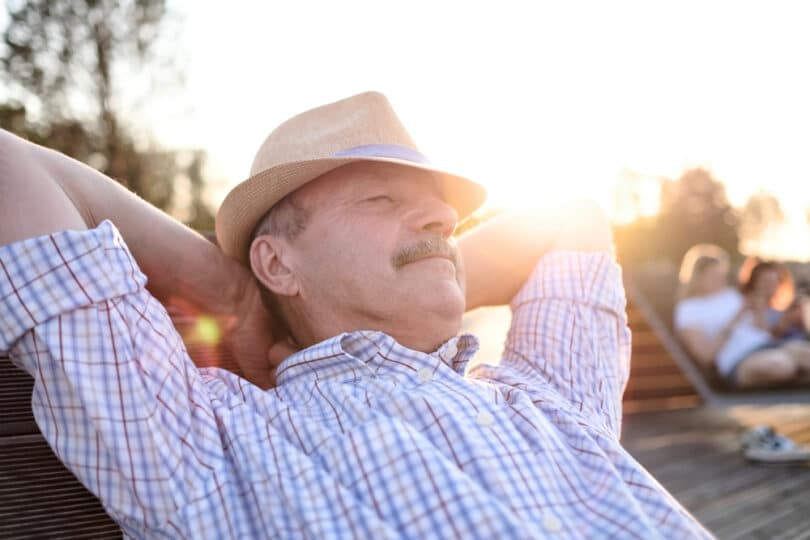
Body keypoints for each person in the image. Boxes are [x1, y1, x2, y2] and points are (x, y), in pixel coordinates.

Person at [0, 92, 712, 538]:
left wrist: (420, 269)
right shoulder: (209, 445)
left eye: (443, 213)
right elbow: (12, 165)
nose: (441, 216)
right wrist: (234, 291)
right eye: (381, 200)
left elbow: (574, 218)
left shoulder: (545, 394)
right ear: (277, 260)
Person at [675, 245, 810, 388]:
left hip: (766, 345)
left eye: (721, 275)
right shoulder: (688, 309)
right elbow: (706, 356)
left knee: (802, 351)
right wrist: (734, 320)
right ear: (698, 277)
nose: (720, 280)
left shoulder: (732, 296)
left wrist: (758, 311)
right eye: (714, 276)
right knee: (781, 365)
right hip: (737, 361)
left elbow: (763, 332)